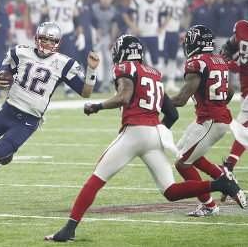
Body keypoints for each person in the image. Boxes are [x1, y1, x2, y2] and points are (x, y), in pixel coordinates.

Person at [44, 34, 246, 242]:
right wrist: (154, 130)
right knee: (170, 191)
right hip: (155, 134)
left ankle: (69, 229)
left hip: (135, 132)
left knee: (95, 180)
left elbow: (124, 96)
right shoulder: (155, 74)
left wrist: (97, 106)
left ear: (120, 52)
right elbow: (172, 114)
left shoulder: (124, 68)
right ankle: (219, 184)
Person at [0, 22, 99, 202]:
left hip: (28, 120)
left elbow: (86, 93)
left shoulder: (64, 63)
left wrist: (91, 69)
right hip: (7, 110)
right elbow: (2, 75)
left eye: (51, 40)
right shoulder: (20, 53)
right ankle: (4, 152)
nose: (47, 43)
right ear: (37, 38)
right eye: (44, 38)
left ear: (58, 43)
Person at [170, 25, 247, 216]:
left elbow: (181, 99)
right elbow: (229, 92)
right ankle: (223, 176)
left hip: (211, 121)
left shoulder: (196, 62)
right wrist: (217, 105)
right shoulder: (219, 59)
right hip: (212, 119)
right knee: (183, 152)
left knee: (182, 163)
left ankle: (209, 205)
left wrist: (158, 102)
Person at [219, 20, 248, 202]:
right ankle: (227, 173)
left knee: (242, 129)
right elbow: (226, 47)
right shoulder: (242, 27)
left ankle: (226, 172)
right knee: (241, 130)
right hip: (245, 89)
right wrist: (229, 60)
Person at [41, 0, 85, 98]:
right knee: (49, 61)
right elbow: (42, 18)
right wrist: (39, 33)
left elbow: (77, 20)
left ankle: (68, 88)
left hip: (68, 34)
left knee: (68, 62)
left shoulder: (73, 1)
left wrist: (81, 35)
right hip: (52, 35)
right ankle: (45, 87)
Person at [124, 0, 169, 68]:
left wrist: (162, 27)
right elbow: (125, 14)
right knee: (140, 59)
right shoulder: (138, 0)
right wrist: (133, 27)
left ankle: (155, 79)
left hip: (154, 34)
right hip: (141, 34)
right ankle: (141, 78)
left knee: (155, 60)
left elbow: (167, 15)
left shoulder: (159, 2)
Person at [161, 0, 190, 92]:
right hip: (163, 31)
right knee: (161, 58)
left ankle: (171, 82)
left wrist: (184, 25)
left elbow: (187, 14)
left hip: (174, 31)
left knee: (172, 58)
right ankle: (160, 81)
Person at [91, 0, 117, 93]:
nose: (106, 0)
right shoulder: (93, 8)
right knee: (92, 60)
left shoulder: (113, 10)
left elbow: (114, 24)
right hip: (94, 37)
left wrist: (113, 39)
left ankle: (106, 84)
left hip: (106, 37)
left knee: (108, 60)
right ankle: (92, 84)